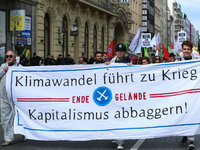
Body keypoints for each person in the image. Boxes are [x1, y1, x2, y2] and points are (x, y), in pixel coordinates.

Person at [105, 43, 131, 150]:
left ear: (124, 53)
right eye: (118, 51)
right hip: (113, 92)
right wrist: (105, 66)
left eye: (121, 51)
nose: (119, 53)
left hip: (123, 92)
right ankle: (115, 135)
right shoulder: (111, 61)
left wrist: (131, 67)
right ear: (116, 52)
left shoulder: (128, 61)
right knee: (113, 114)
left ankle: (121, 140)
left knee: (121, 115)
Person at [0, 50, 25, 146]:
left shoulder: (19, 67)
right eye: (7, 56)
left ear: (14, 57)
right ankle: (8, 138)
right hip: (4, 96)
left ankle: (24, 133)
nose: (8, 58)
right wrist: (3, 71)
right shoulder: (3, 66)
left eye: (10, 56)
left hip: (16, 97)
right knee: (5, 117)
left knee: (19, 116)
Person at [178, 40, 195, 150]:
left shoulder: (196, 62)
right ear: (182, 50)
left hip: (192, 93)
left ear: (191, 50)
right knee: (182, 114)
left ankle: (191, 140)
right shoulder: (177, 61)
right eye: (185, 49)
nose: (186, 51)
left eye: (188, 49)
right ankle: (184, 135)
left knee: (191, 114)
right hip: (180, 92)